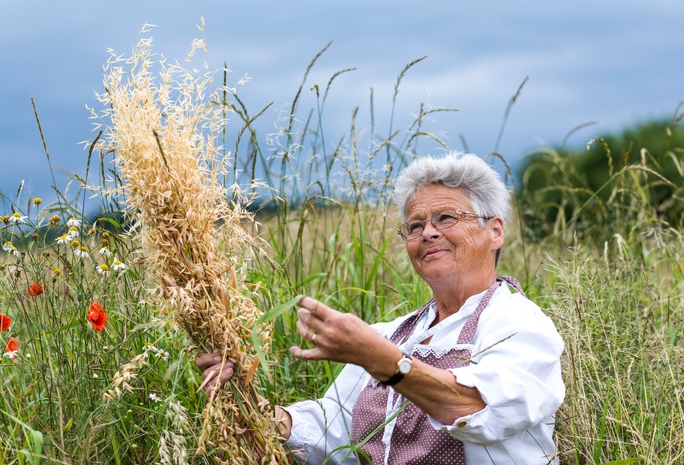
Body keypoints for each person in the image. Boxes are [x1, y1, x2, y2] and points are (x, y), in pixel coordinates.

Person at [197, 152, 565, 464]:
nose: (428, 233)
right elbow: (334, 427)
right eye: (415, 225)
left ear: (495, 231)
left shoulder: (520, 325)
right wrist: (248, 405)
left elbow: (472, 408)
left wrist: (383, 362)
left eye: (446, 218)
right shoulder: (393, 333)